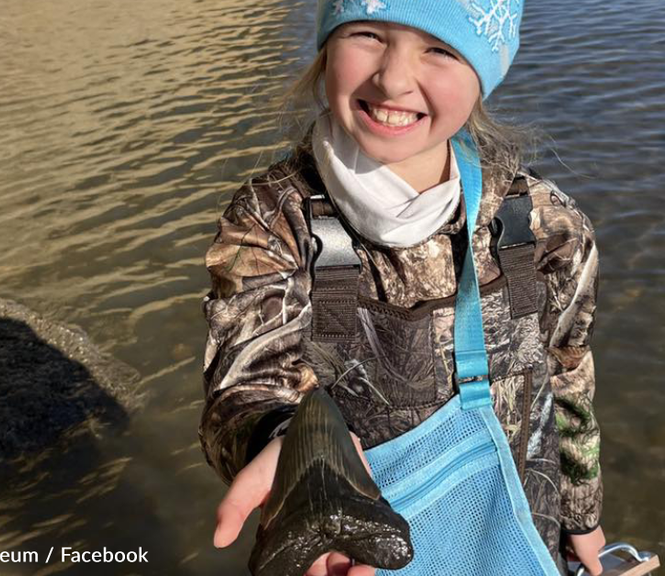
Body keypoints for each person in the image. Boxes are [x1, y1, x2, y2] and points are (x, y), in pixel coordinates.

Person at [200, 1, 605, 574]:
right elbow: (244, 385)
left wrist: (582, 516)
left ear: (484, 73)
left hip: (522, 531)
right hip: (342, 552)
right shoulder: (272, 222)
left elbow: (567, 373)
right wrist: (296, 452)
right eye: (368, 33)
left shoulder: (544, 225)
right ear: (326, 46)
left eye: (439, 48)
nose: (392, 79)